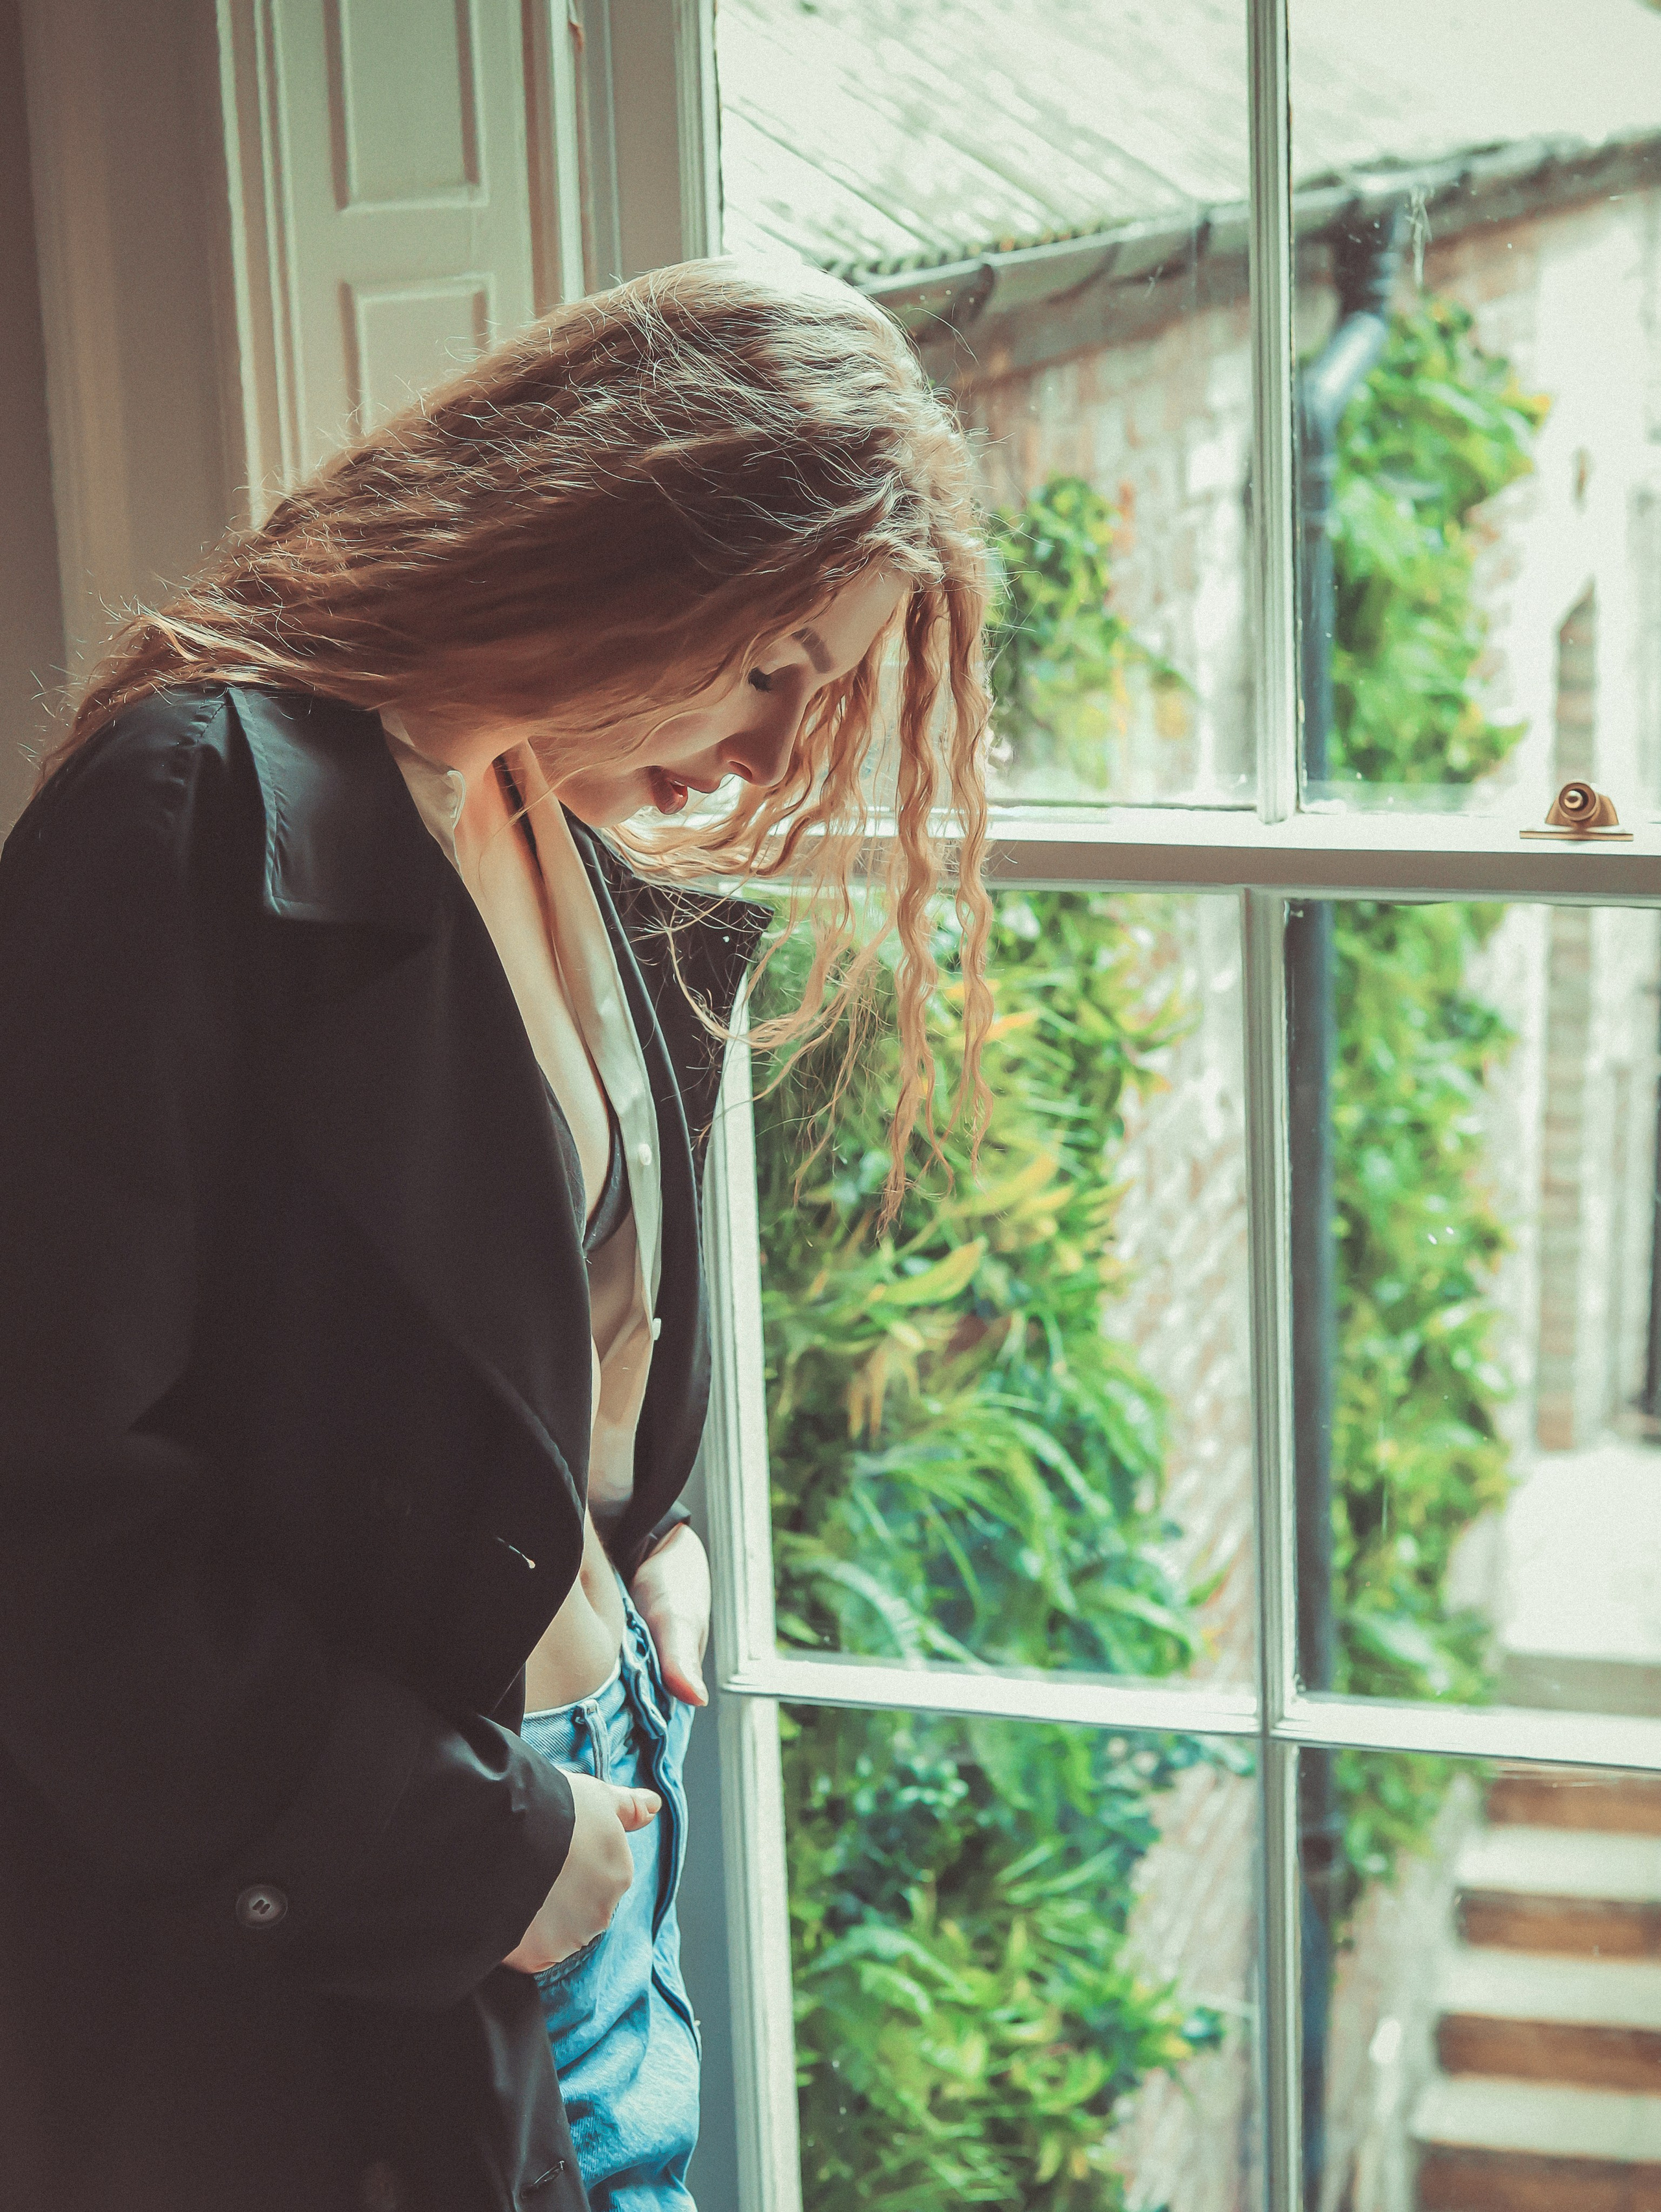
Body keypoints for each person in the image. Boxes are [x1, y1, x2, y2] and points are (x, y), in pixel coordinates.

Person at [0, 259, 993, 2212]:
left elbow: (547, 1300)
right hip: (376, 1885)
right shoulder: (184, 817)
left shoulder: (555, 813)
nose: (772, 747)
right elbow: (42, 1506)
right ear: (625, 530)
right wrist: (469, 1847)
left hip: (586, 1797)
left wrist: (662, 1520)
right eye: (774, 663)